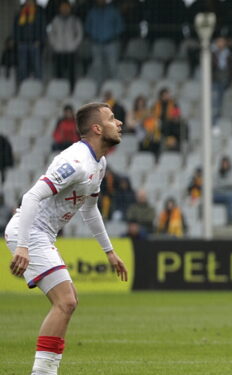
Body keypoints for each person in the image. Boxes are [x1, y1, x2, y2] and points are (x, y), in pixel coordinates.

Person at [4, 102, 128, 375]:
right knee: (66, 302)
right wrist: (23, 246)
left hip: (41, 235)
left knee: (70, 300)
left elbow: (90, 209)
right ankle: (43, 373)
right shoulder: (75, 164)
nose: (118, 123)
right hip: (29, 231)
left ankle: (45, 371)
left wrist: (109, 251)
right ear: (97, 128)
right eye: (112, 118)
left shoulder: (100, 162)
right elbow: (31, 196)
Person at [85, 0, 123, 84]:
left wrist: (112, 35)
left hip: (111, 43)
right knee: (97, 66)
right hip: (96, 43)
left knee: (113, 65)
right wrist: (93, 35)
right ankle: (99, 87)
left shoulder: (113, 11)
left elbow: (120, 26)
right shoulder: (92, 12)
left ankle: (115, 85)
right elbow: (87, 27)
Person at [47, 1, 82, 91]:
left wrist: (74, 44)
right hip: (59, 50)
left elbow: (79, 33)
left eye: (66, 7)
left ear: (70, 8)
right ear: (60, 8)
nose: (65, 9)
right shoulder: (55, 20)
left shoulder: (74, 20)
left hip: (71, 50)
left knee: (71, 73)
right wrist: (54, 44)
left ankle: (71, 90)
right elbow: (51, 33)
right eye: (63, 7)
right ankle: (60, 90)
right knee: (59, 73)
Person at [14, 0, 45, 82]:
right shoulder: (20, 15)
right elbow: (15, 29)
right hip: (22, 43)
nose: (29, 3)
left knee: (37, 65)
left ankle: (38, 83)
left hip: (35, 43)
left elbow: (42, 29)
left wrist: (39, 41)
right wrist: (18, 41)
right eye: (28, 1)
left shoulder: (38, 15)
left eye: (31, 2)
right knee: (22, 66)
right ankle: (22, 84)